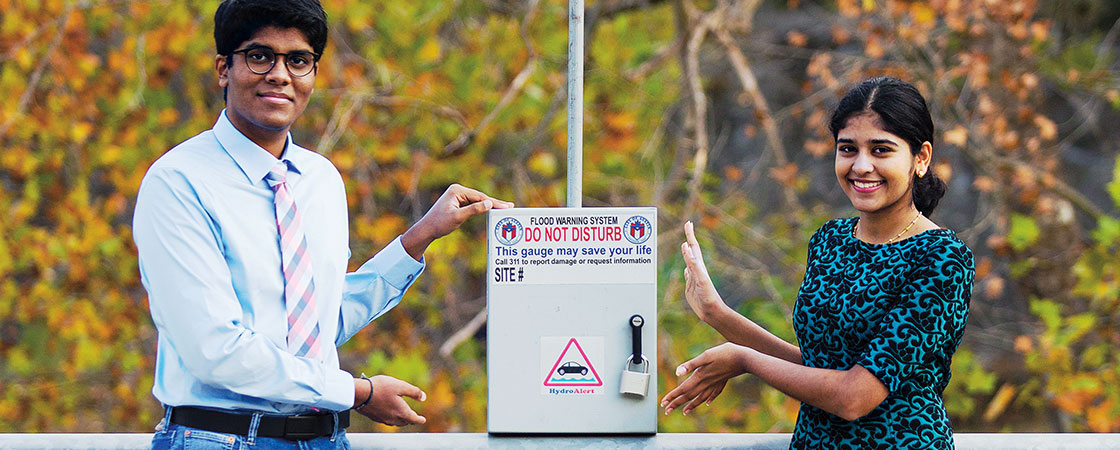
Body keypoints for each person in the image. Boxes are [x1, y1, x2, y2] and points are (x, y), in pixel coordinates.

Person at [132, 0, 512, 447]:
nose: (279, 74)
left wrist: (418, 238)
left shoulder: (321, 180)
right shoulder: (179, 182)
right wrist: (357, 391)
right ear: (223, 69)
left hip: (324, 440)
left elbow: (314, 327)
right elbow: (214, 351)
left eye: (298, 60)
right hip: (220, 437)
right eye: (260, 56)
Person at [660, 76, 974, 449]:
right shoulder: (830, 240)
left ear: (920, 158)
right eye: (848, 149)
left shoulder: (941, 258)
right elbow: (817, 368)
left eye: (881, 150)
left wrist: (744, 360)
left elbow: (854, 396)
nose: (861, 166)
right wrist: (718, 315)